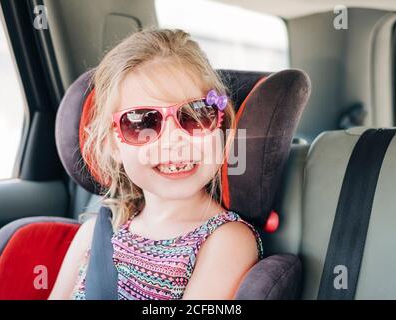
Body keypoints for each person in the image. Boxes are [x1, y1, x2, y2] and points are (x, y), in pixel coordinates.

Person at [49, 28, 263, 300]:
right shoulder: (94, 234)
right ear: (113, 145)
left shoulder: (226, 241)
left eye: (194, 115)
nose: (173, 141)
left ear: (220, 123)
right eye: (141, 122)